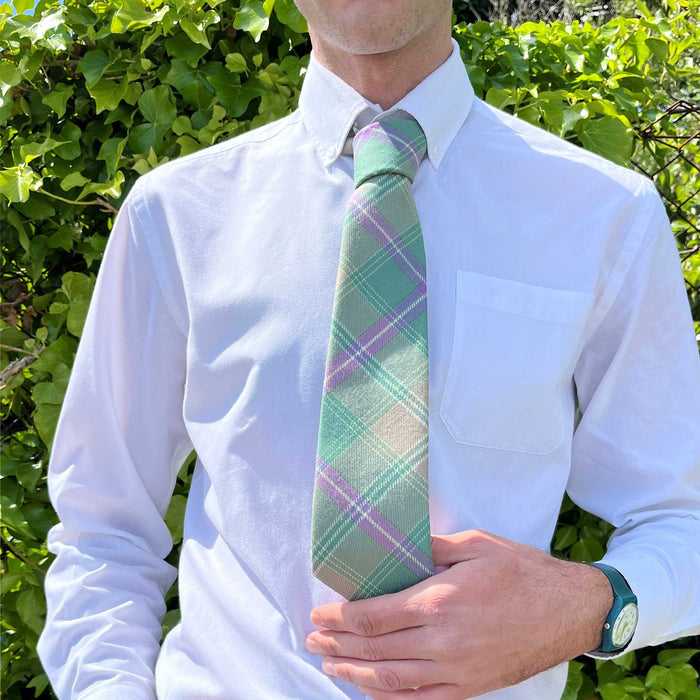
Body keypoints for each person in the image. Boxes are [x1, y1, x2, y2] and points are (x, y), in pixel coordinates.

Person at [37, 0, 700, 698]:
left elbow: (683, 515)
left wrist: (586, 608)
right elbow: (100, 529)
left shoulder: (604, 216)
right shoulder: (176, 214)